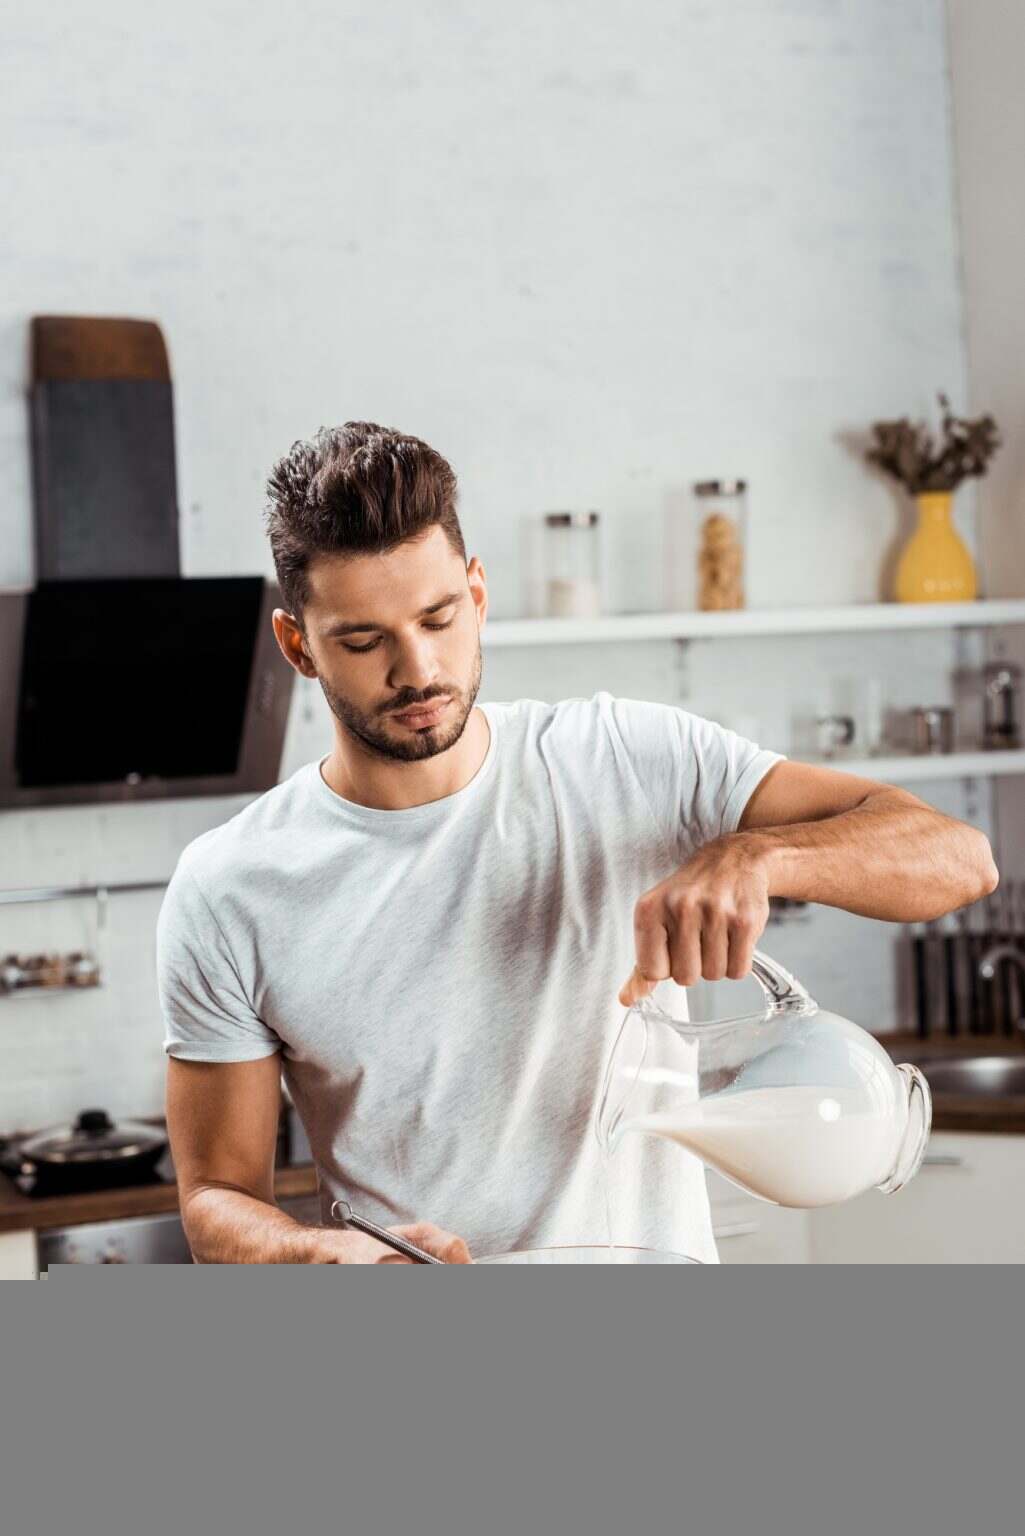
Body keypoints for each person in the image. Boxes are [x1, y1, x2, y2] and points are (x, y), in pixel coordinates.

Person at [157, 422, 998, 1264]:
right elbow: (216, 1197)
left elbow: (958, 858)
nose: (416, 669)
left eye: (438, 618)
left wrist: (761, 856)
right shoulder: (231, 885)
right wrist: (310, 1254)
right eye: (364, 640)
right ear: (297, 644)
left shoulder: (626, 759)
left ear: (478, 595)